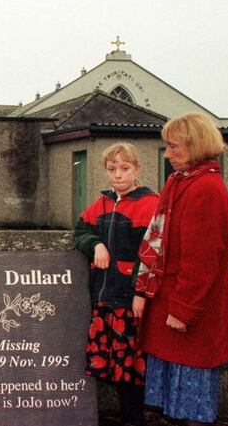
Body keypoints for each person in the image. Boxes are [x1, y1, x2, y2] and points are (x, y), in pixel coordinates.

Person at [133, 113, 228, 426]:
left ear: (195, 146)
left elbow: (202, 260)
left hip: (189, 313)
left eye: (173, 147)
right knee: (173, 407)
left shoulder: (206, 189)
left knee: (191, 406)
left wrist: (183, 310)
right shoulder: (181, 181)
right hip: (169, 304)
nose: (167, 154)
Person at [73, 143, 158, 426]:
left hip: (131, 300)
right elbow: (80, 231)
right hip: (105, 296)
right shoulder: (102, 204)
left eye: (125, 168)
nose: (118, 175)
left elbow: (152, 254)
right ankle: (125, 416)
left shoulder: (151, 204)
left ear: (137, 170)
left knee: (131, 366)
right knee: (112, 364)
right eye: (112, 169)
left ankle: (134, 418)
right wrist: (95, 244)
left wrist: (139, 292)